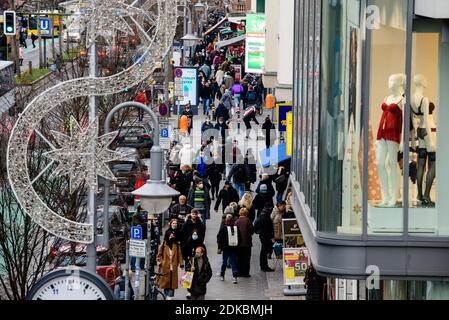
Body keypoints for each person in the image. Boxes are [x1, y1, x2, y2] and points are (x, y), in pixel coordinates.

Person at [156, 220, 184, 299]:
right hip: (165, 265)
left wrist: (181, 264)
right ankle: (166, 294)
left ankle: (170, 295)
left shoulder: (176, 245)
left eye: (172, 236)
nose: (171, 237)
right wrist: (161, 262)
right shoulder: (164, 245)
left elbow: (179, 254)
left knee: (172, 281)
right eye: (170, 236)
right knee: (166, 281)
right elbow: (159, 255)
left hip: (173, 265)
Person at [217, 214, 239, 283]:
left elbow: (219, 238)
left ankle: (222, 275)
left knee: (224, 262)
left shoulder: (223, 228)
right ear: (232, 220)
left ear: (226, 220)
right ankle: (234, 277)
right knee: (233, 262)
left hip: (226, 248)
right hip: (234, 248)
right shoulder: (236, 228)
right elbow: (240, 238)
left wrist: (219, 248)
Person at [234, 208, 254, 277]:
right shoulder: (248, 220)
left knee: (239, 258)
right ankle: (245, 273)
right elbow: (252, 231)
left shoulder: (236, 221)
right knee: (246, 258)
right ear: (246, 213)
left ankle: (239, 272)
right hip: (247, 243)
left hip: (238, 243)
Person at [255, 205, 275, 272]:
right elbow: (267, 229)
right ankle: (264, 267)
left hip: (262, 236)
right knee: (264, 252)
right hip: (265, 237)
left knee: (263, 252)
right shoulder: (266, 217)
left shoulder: (262, 214)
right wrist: (271, 237)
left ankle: (263, 266)